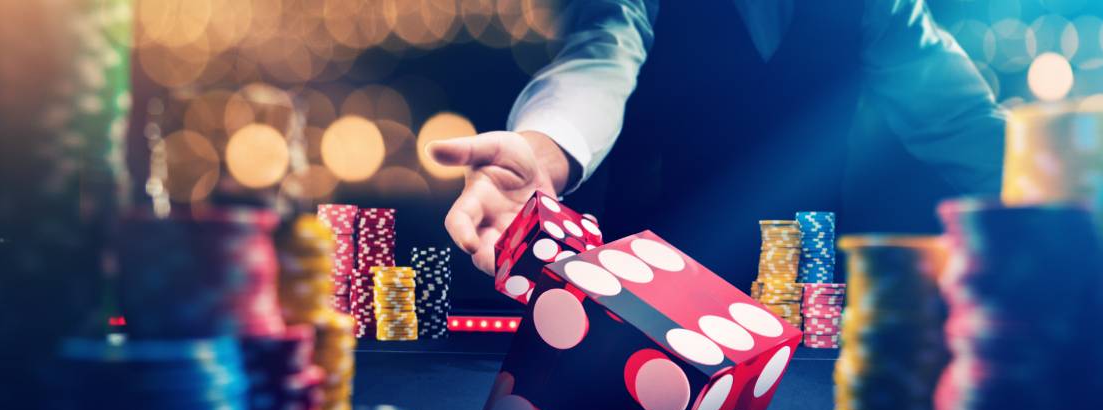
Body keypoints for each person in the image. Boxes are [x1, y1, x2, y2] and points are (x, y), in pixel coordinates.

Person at [429, 0, 1005, 283]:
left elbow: (965, 125)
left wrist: (1077, 186)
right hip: (647, 298)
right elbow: (597, 61)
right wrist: (547, 147)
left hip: (805, 305)